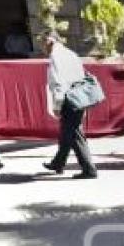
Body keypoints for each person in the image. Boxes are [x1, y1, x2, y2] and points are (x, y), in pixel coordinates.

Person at [41, 32, 98, 179]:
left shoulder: (55, 56)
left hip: (68, 99)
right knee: (67, 133)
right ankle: (58, 163)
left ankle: (89, 169)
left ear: (50, 42)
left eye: (44, 42)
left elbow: (58, 82)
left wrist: (58, 105)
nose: (43, 47)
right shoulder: (71, 54)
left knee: (75, 134)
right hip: (78, 97)